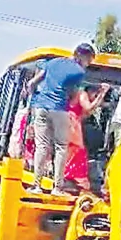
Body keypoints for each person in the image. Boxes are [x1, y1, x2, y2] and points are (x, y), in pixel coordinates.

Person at [24, 43, 96, 196]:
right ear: (84, 57)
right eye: (89, 60)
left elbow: (32, 83)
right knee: (61, 147)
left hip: (40, 107)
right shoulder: (78, 72)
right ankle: (57, 188)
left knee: (41, 146)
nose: (88, 64)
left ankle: (36, 186)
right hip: (58, 108)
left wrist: (34, 99)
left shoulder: (53, 62)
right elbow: (72, 96)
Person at [64, 83, 111, 191]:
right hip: (72, 123)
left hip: (72, 122)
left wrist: (100, 98)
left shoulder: (77, 95)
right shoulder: (82, 93)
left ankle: (70, 177)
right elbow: (89, 107)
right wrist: (102, 93)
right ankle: (72, 178)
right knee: (76, 150)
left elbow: (88, 112)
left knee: (74, 151)